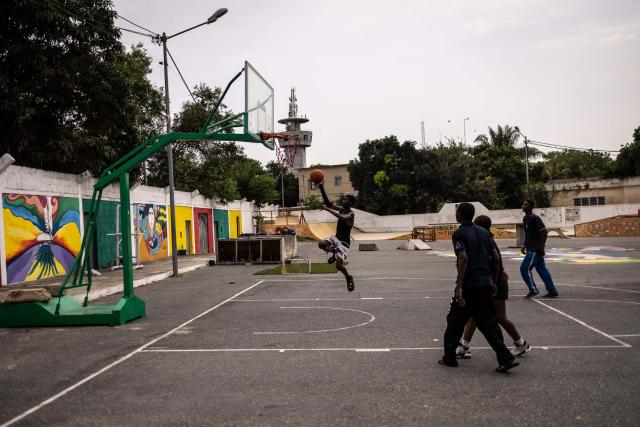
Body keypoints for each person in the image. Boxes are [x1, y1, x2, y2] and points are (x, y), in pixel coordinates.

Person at [440, 202, 519, 373]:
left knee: (455, 321)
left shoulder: (459, 234)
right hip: (485, 284)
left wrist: (459, 286)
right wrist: (493, 280)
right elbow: (496, 258)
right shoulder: (484, 233)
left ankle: (449, 358)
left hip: (469, 285)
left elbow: (463, 258)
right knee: (489, 323)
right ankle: (505, 357)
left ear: (459, 215)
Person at [456, 215, 531, 358]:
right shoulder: (485, 240)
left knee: (499, 317)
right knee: (475, 315)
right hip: (490, 282)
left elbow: (494, 261)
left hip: (493, 283)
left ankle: (521, 343)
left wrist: (495, 280)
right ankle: (464, 346)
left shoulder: (486, 241)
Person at [317, 182, 355, 292]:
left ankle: (349, 278)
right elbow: (328, 203)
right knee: (321, 244)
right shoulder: (341, 209)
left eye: (345, 199)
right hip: (336, 238)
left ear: (351, 203)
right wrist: (321, 188)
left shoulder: (351, 214)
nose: (343, 201)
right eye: (342, 199)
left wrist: (328, 209)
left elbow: (342, 217)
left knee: (338, 266)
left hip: (344, 243)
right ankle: (334, 252)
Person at [520, 199, 559, 298]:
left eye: (526, 204)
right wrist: (524, 245)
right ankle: (552, 291)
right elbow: (528, 234)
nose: (523, 205)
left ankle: (533, 290)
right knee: (542, 270)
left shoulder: (534, 218)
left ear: (531, 207)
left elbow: (544, 232)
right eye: (523, 204)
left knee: (524, 268)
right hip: (530, 247)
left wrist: (541, 247)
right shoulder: (525, 218)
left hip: (535, 249)